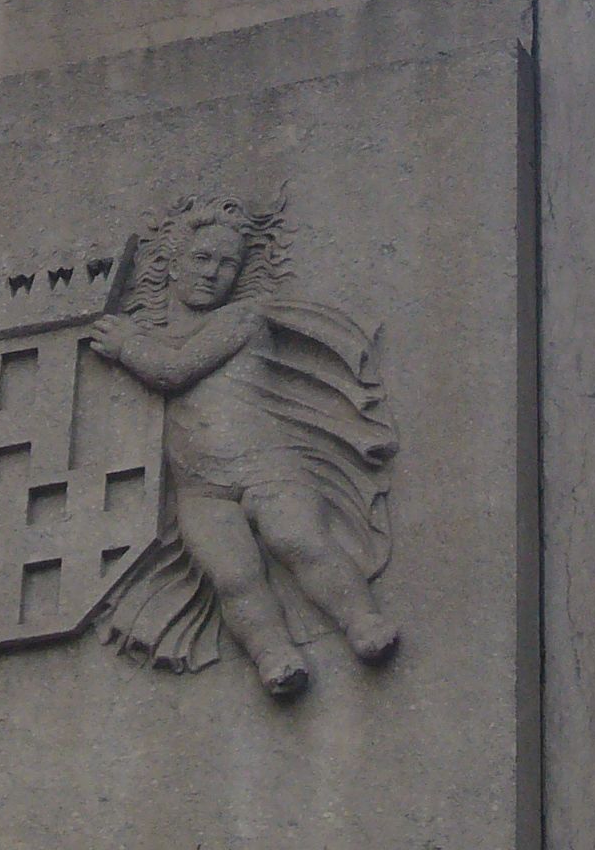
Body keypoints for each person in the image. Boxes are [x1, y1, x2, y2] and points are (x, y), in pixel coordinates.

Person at [91, 197, 398, 699]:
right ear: (171, 264)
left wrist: (127, 347)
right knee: (234, 577)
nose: (214, 273)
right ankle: (272, 654)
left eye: (227, 263)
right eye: (202, 259)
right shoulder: (155, 332)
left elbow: (175, 370)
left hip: (266, 467)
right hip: (200, 489)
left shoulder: (242, 319)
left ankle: (361, 620)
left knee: (299, 540)